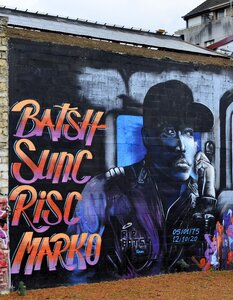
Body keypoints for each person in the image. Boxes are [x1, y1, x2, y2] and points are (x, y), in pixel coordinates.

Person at [68, 80, 216, 281]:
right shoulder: (106, 189)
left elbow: (210, 263)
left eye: (188, 133)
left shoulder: (201, 197)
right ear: (147, 137)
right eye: (170, 132)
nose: (182, 146)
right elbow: (77, 271)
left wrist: (207, 200)